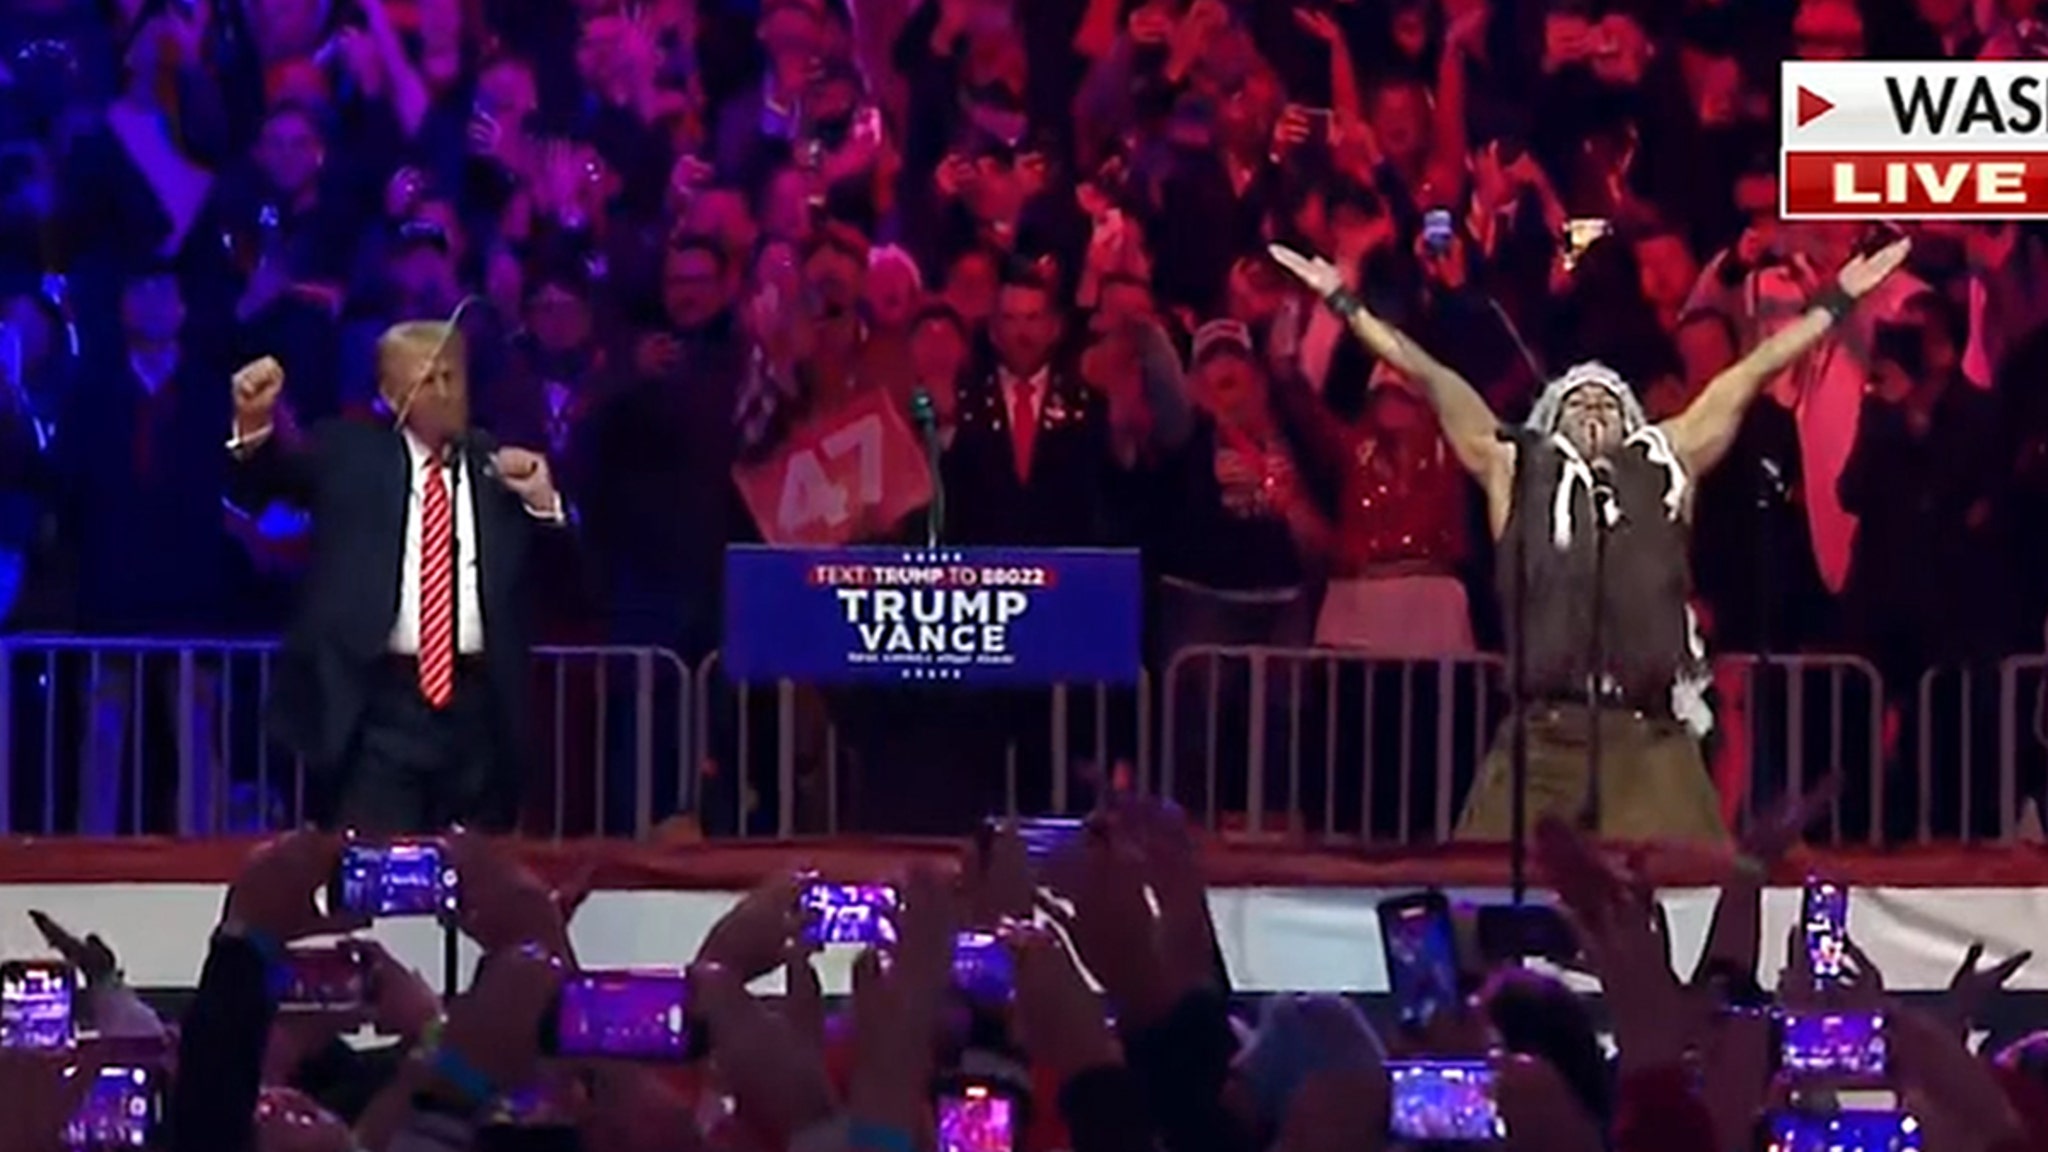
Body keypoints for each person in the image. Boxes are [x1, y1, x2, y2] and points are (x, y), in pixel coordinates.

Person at [1268, 236, 1911, 843]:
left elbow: (1749, 374)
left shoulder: (1668, 463)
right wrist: (1342, 302)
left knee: (1704, 888)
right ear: (1551, 423)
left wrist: (1838, 299)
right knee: (1477, 893)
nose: (1594, 408)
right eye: (1578, 401)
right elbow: (1431, 375)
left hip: (1648, 733)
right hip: (1544, 735)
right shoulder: (1514, 472)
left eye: (1609, 399)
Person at [226, 313, 569, 833]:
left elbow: (569, 581)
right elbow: (269, 479)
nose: (446, 391)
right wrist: (254, 422)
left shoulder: (500, 468)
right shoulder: (348, 455)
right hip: (380, 708)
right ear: (390, 393)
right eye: (428, 379)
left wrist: (545, 505)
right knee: (377, 878)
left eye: (454, 376)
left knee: (478, 889)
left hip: (479, 712)